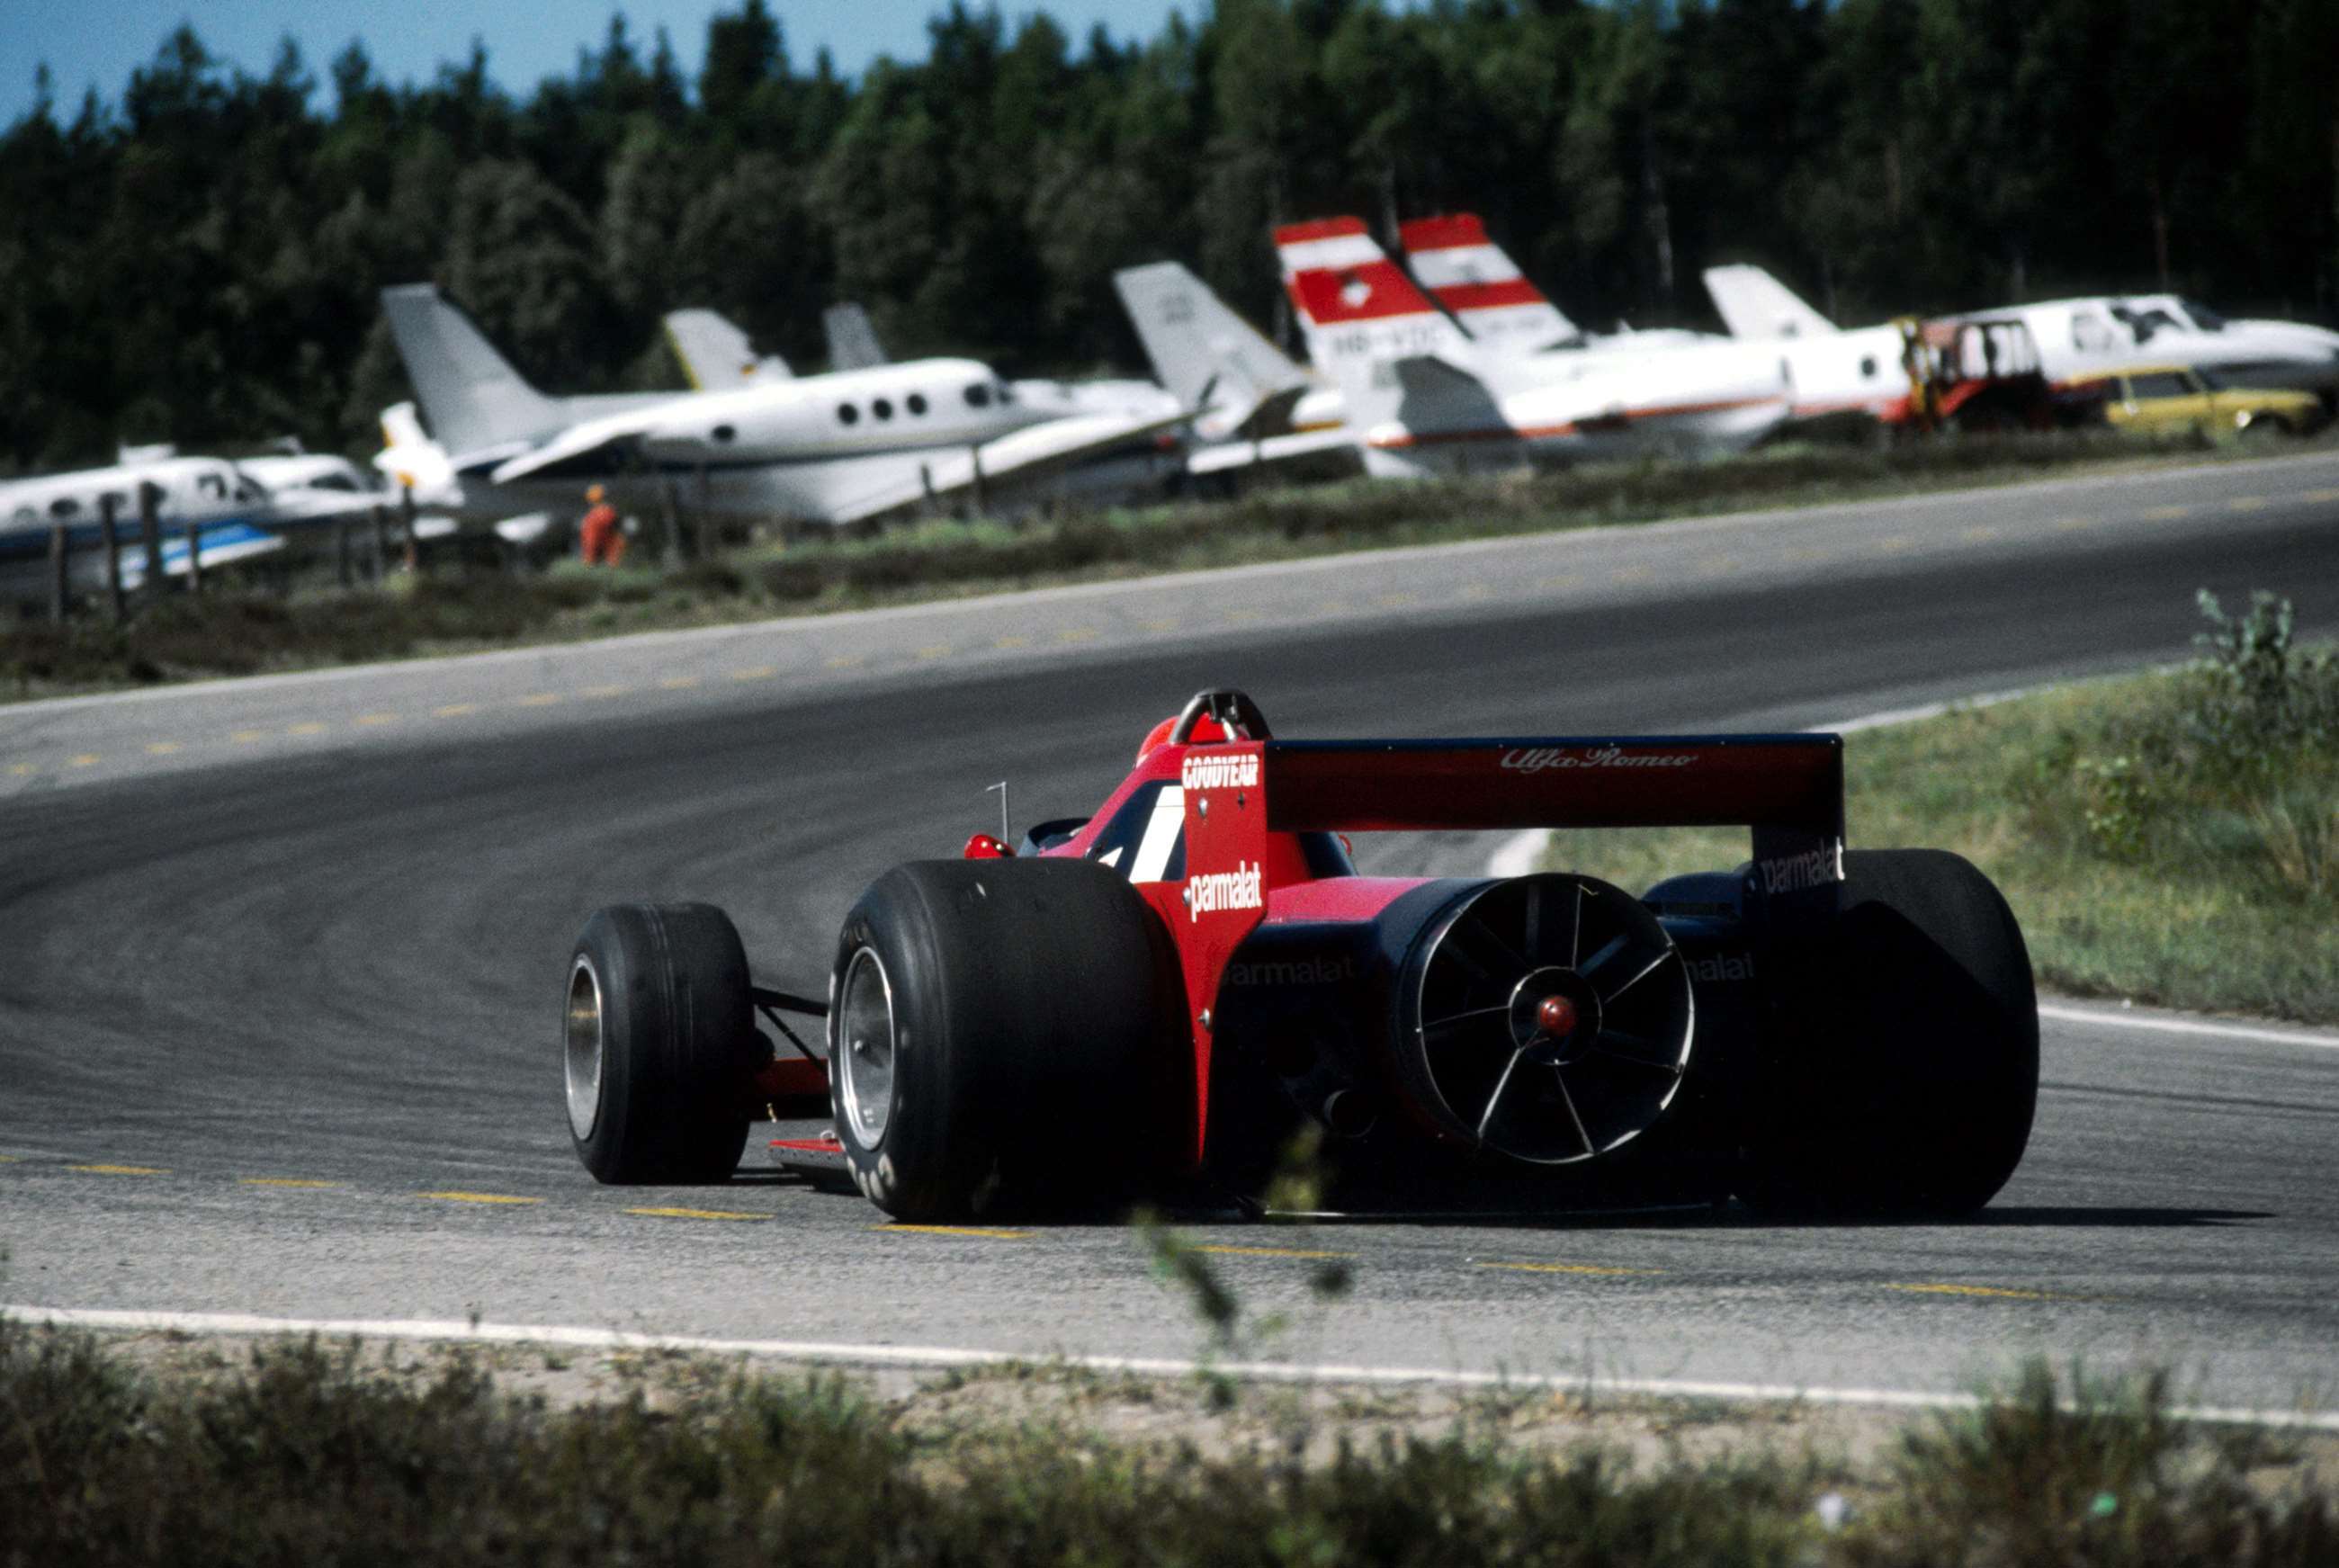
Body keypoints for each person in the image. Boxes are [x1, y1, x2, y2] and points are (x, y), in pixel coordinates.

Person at [578, 484, 624, 566]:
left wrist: (589, 559)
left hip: (599, 550)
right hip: (608, 552)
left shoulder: (592, 517)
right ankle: (610, 563)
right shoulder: (610, 511)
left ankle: (594, 562)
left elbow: (590, 539)